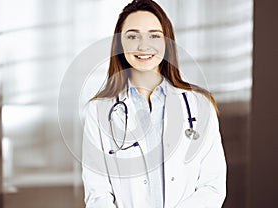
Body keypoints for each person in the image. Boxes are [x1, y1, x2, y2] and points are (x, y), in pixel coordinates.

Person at [82, 0, 227, 207]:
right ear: (120, 44)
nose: (143, 45)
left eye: (154, 35)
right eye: (132, 36)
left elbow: (212, 187)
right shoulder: (99, 110)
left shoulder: (199, 106)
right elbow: (98, 194)